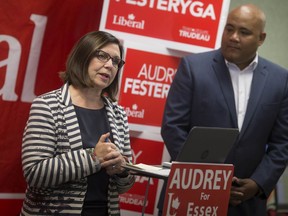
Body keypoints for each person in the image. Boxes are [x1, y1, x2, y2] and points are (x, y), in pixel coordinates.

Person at [159, 4, 288, 216]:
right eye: (229, 29)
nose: (234, 37)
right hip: (190, 196)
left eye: (244, 32)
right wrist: (209, 181)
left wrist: (257, 184)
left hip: (246, 203)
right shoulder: (193, 68)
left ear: (261, 38)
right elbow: (173, 127)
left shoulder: (280, 80)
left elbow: (282, 143)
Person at [21, 31, 135, 215]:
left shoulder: (118, 113)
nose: (109, 65)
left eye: (115, 61)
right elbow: (35, 173)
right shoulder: (48, 105)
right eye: (102, 56)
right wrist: (93, 157)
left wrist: (122, 170)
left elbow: (123, 187)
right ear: (83, 56)